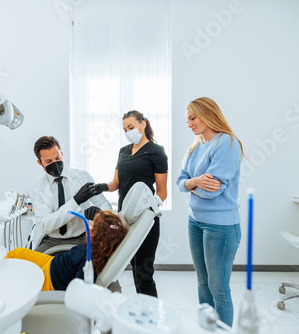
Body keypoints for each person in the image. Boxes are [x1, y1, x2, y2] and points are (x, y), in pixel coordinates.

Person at [176, 97, 244, 327]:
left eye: (192, 118)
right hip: (194, 221)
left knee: (218, 288)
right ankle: (208, 329)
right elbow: (179, 181)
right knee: (203, 283)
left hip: (221, 226)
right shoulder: (195, 146)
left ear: (208, 114)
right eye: (187, 120)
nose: (189, 124)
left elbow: (211, 192)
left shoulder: (227, 143)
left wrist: (190, 185)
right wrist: (195, 181)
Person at [94, 110, 168, 297]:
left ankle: (149, 317)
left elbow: (162, 191)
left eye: (131, 127)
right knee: (131, 266)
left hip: (145, 221)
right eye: (125, 129)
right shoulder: (123, 152)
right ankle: (137, 311)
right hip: (124, 219)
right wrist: (100, 187)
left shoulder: (156, 152)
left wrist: (151, 208)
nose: (128, 131)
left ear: (143, 124)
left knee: (144, 272)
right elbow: (115, 184)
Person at [5, 210, 127, 291]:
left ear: (98, 236)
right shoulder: (92, 247)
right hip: (53, 262)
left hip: (50, 279)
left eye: (93, 226)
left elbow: (78, 291)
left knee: (19, 278)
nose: (89, 226)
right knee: (18, 252)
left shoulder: (89, 262)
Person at [30, 136, 112, 253]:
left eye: (57, 158)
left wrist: (101, 214)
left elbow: (104, 203)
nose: (55, 163)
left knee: (91, 266)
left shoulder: (82, 177)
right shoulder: (37, 189)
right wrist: (76, 201)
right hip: (52, 241)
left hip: (82, 238)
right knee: (34, 266)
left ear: (62, 154)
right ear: (40, 162)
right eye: (49, 161)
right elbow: (47, 225)